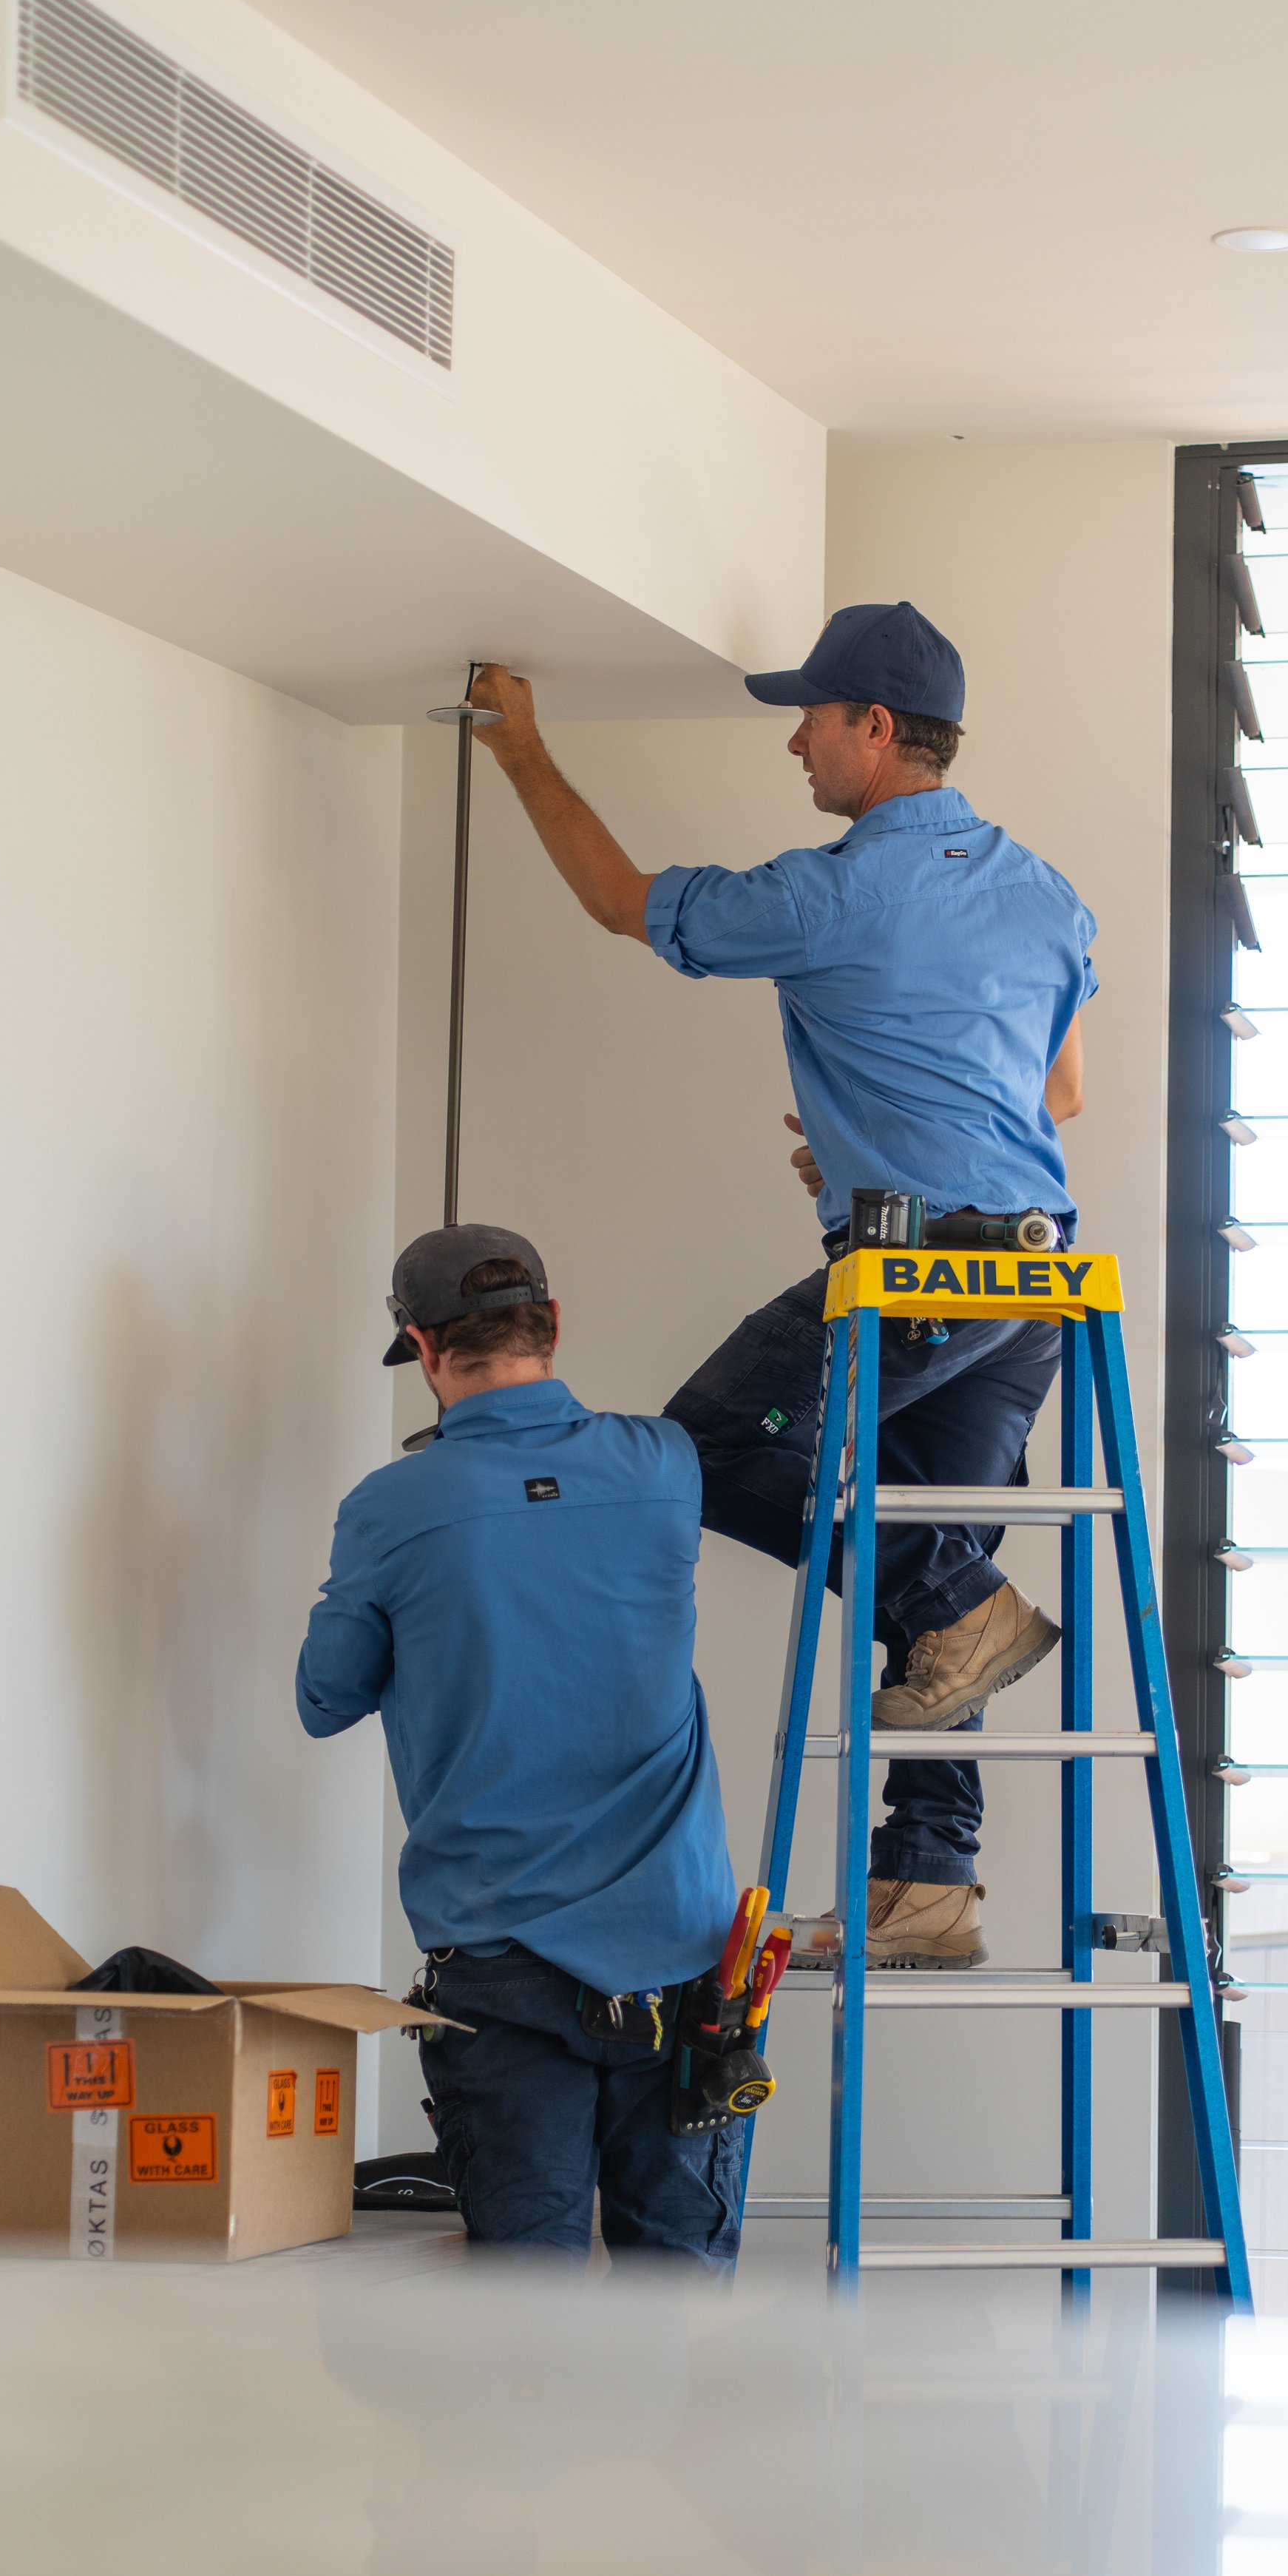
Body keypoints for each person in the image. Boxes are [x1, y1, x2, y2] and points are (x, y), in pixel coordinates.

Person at [467, 602, 1094, 1970]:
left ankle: (956, 1609)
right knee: (937, 1568)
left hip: (927, 1263)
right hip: (1037, 1276)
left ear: (877, 730)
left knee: (704, 1451)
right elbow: (1060, 1090)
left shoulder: (833, 892)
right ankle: (931, 1879)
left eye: (809, 718)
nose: (795, 744)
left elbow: (621, 902)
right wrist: (871, 1128)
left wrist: (519, 750)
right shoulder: (1041, 889)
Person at [295, 1225, 742, 2264]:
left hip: (501, 1964)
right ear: (552, 1326)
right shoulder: (665, 1464)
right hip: (683, 1958)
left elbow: (325, 1698)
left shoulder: (392, 1505)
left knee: (520, 2336)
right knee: (681, 2310)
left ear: (424, 1344)